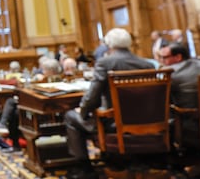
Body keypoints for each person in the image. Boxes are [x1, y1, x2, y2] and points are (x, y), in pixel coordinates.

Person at [64, 28, 154, 179]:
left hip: (114, 123)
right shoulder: (147, 64)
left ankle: (85, 169)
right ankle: (119, 159)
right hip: (146, 121)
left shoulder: (105, 62)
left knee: (70, 116)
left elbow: (92, 97)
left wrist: (83, 111)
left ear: (109, 45)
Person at [0, 58, 62, 152]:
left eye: (44, 70)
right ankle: (4, 127)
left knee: (14, 110)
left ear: (51, 71)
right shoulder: (52, 79)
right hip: (41, 109)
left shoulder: (47, 81)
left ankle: (5, 129)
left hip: (44, 114)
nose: (43, 72)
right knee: (13, 109)